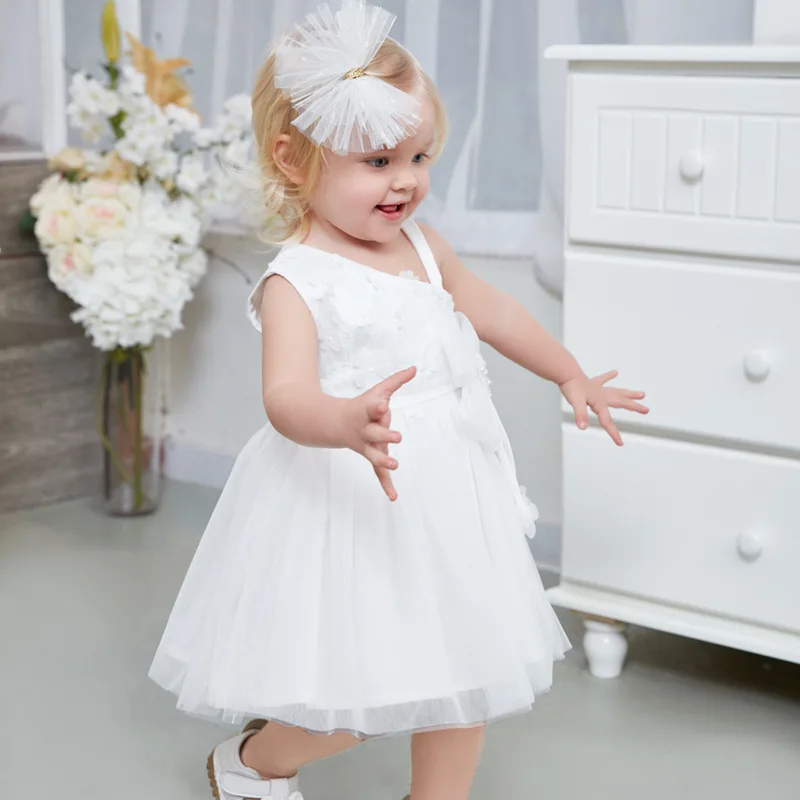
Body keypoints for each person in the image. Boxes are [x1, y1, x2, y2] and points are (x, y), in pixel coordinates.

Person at [148, 3, 649, 799]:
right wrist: (344, 420)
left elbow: (493, 311)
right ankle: (253, 760)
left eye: (420, 155)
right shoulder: (297, 278)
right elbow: (285, 397)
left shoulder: (423, 246)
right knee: (359, 693)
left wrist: (569, 373)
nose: (407, 179)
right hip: (352, 495)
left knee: (467, 666)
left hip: (448, 489)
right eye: (379, 160)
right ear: (292, 160)